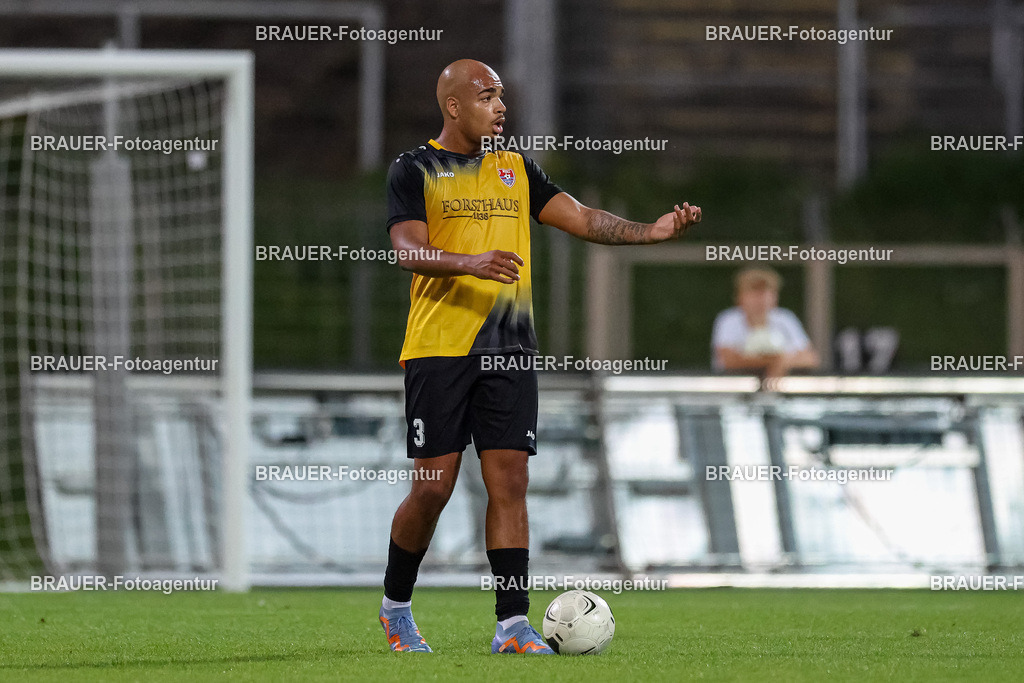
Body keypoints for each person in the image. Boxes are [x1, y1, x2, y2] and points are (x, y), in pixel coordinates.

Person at [381, 58, 701, 654]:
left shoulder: (516, 169)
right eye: (487, 96)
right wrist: (470, 262)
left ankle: (511, 625)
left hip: (510, 347)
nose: (500, 106)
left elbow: (580, 217)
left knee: (511, 481)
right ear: (453, 106)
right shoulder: (415, 168)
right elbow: (406, 249)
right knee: (433, 487)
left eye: (502, 96)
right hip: (440, 348)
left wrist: (649, 232)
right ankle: (396, 606)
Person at [711, 266, 819, 381]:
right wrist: (776, 361)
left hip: (782, 391)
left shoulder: (785, 319)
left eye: (766, 292)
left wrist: (781, 362)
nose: (761, 298)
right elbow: (729, 361)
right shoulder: (729, 320)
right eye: (755, 291)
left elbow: (810, 358)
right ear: (740, 296)